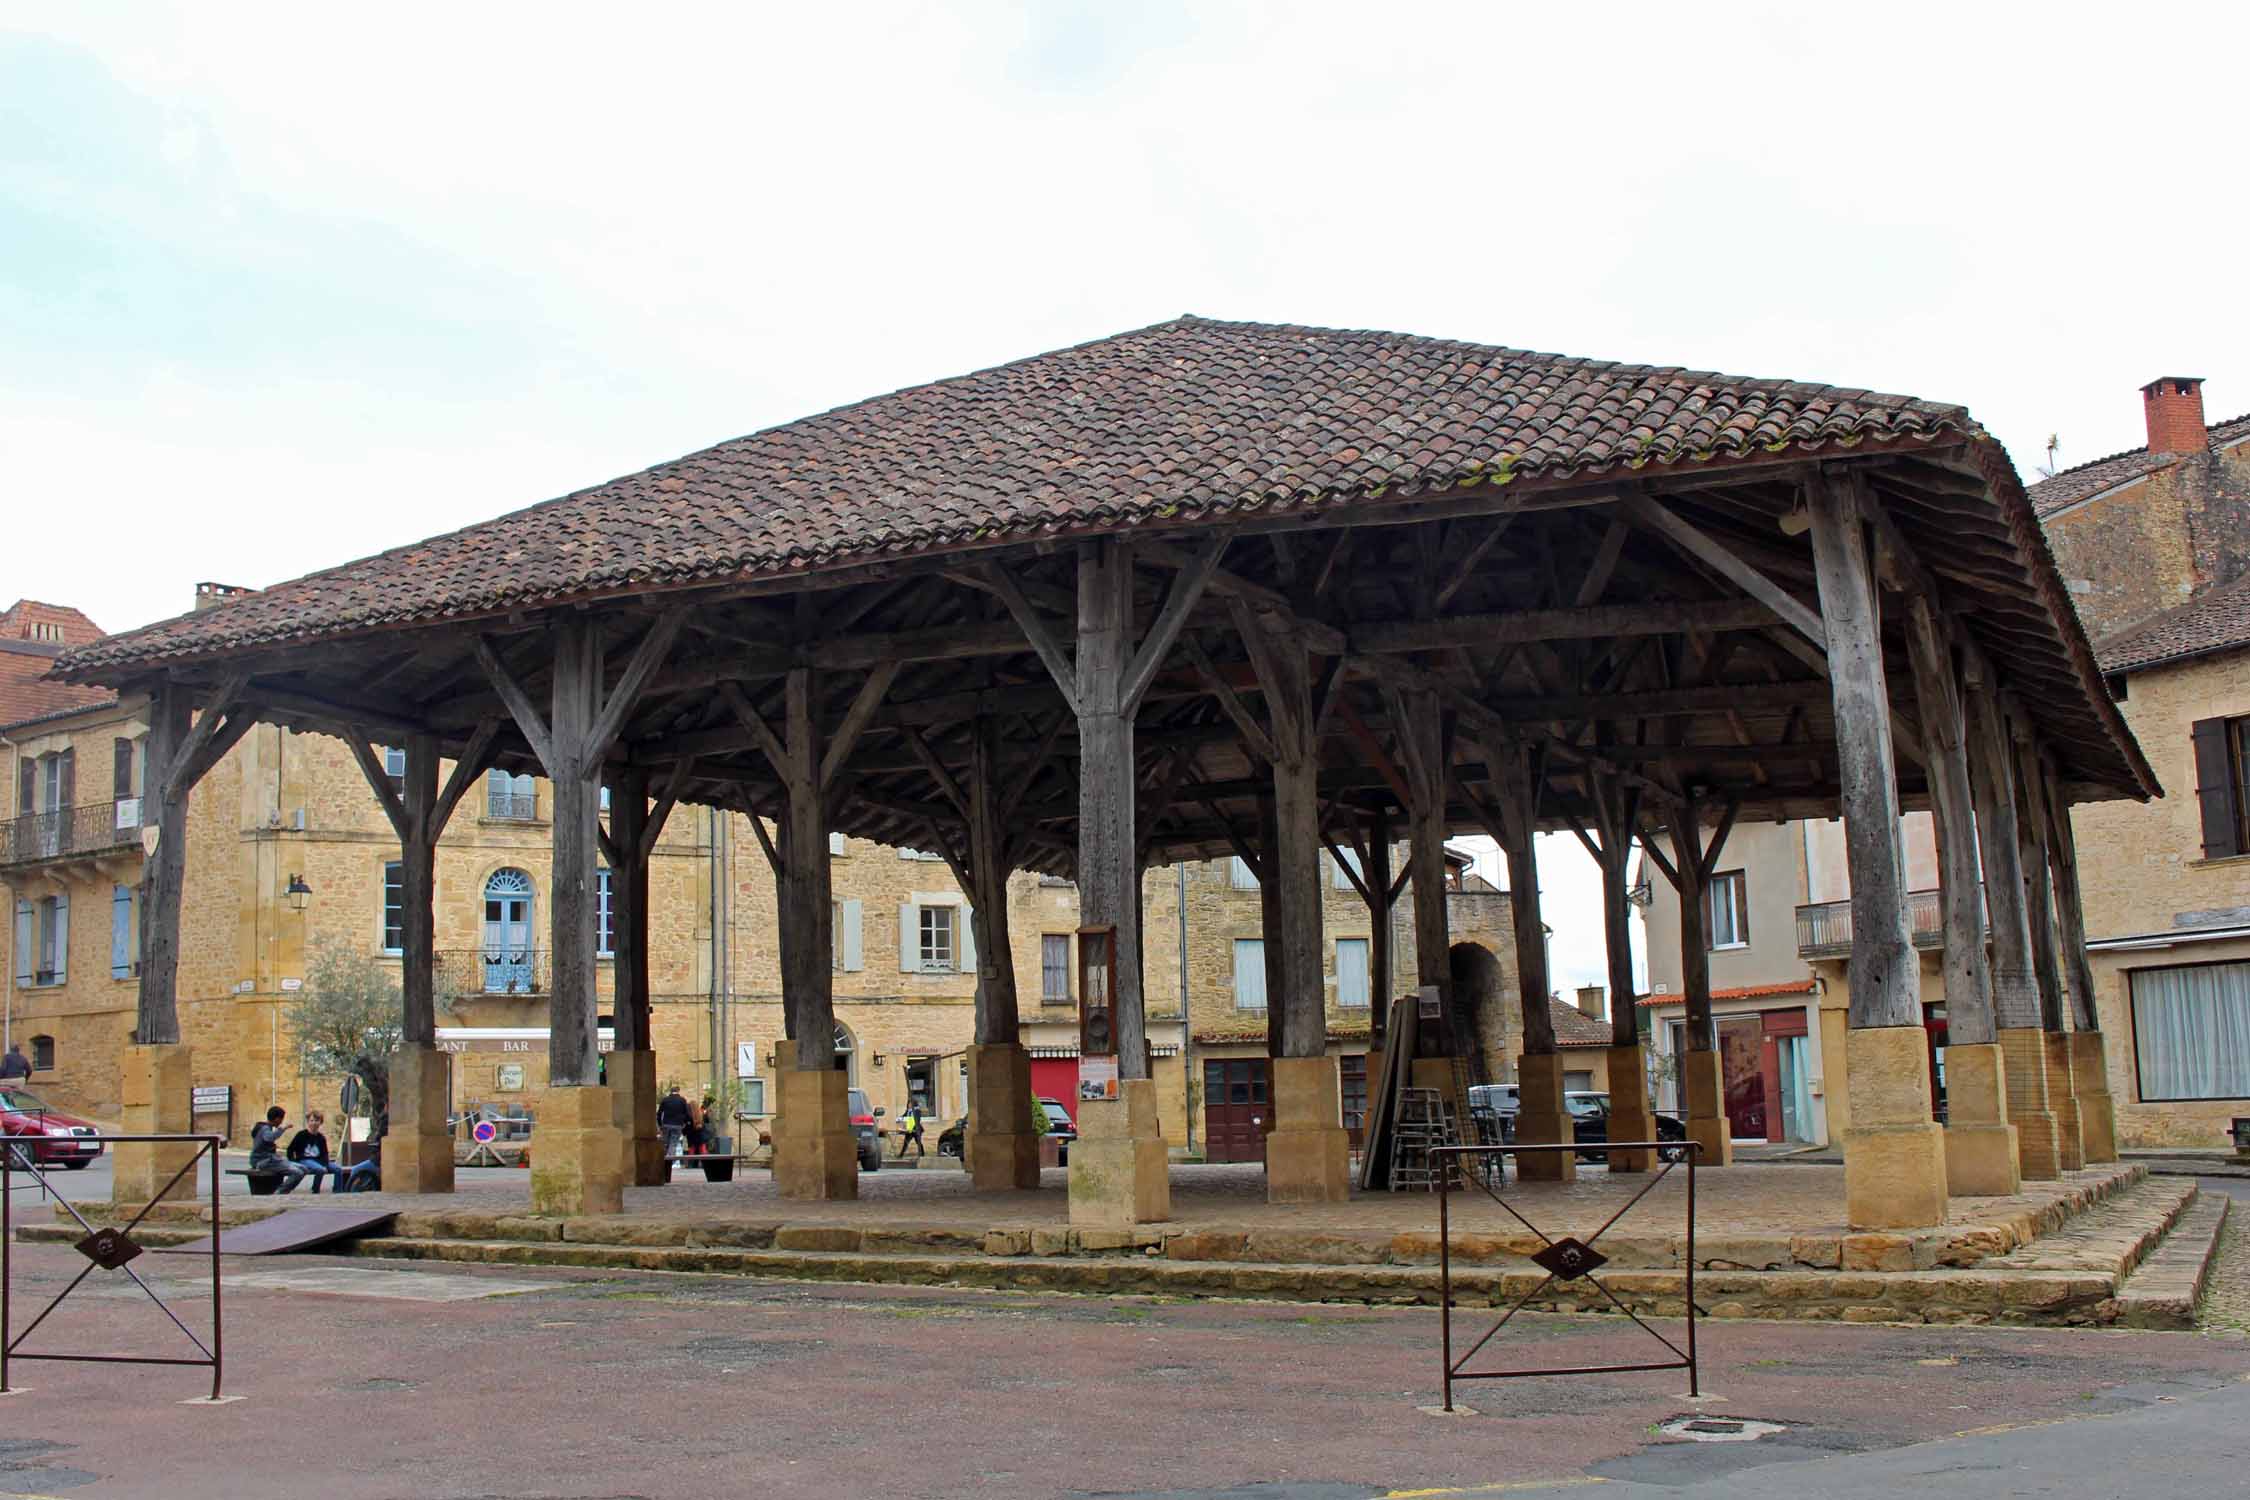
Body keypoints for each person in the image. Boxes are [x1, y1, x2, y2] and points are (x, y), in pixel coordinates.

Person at [285, 1111, 354, 1194]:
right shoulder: (301, 1135)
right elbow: (290, 1149)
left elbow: (325, 1154)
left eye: (316, 1121)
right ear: (308, 1122)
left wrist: (324, 1164)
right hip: (305, 1160)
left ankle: (338, 1191)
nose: (314, 1123)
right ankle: (315, 1190)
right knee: (320, 1169)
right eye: (312, 1120)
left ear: (320, 1122)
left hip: (319, 1160)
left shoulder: (321, 1138)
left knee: (338, 1169)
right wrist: (294, 1162)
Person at [249, 1106, 308, 1193]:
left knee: (304, 1168)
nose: (281, 1122)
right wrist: (282, 1128)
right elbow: (269, 1138)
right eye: (281, 1119)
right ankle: (280, 1192)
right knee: (298, 1173)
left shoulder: (264, 1127)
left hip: (270, 1159)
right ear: (277, 1119)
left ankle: (283, 1189)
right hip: (263, 1161)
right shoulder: (264, 1128)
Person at [655, 1085, 693, 1159]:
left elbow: (659, 1113)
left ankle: (663, 1160)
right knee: (673, 1143)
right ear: (678, 1091)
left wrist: (660, 1124)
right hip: (677, 1125)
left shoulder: (665, 1100)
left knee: (665, 1143)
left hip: (666, 1125)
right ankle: (669, 1160)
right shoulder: (682, 1100)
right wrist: (685, 1122)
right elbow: (686, 1113)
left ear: (671, 1091)